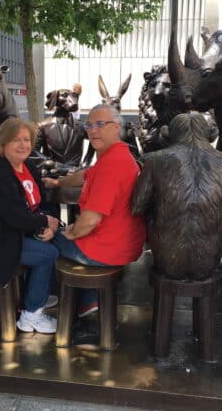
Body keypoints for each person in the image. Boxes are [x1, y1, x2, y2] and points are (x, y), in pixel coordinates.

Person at [44, 104, 146, 316]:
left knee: (44, 237)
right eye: (89, 124)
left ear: (116, 127)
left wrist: (69, 232)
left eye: (100, 124)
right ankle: (88, 299)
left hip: (107, 249)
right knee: (64, 230)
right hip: (125, 243)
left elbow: (90, 220)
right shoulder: (119, 155)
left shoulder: (111, 165)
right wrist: (58, 183)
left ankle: (47, 300)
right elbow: (86, 174)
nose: (93, 130)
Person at [0, 119, 60, 333]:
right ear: (3, 143)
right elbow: (15, 217)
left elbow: (43, 202)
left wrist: (50, 224)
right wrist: (44, 222)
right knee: (47, 254)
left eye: (27, 139)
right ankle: (31, 315)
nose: (23, 145)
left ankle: (37, 293)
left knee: (59, 239)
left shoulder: (29, 166)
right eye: (16, 140)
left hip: (14, 233)